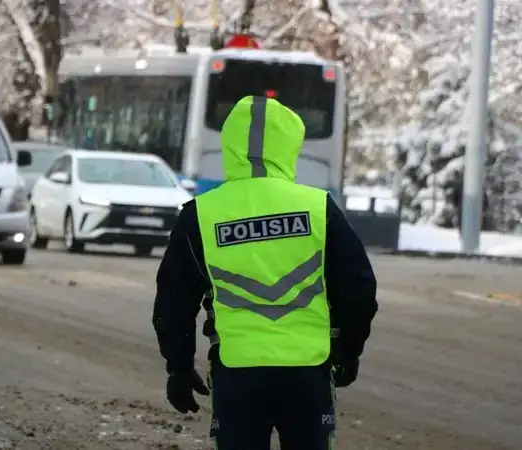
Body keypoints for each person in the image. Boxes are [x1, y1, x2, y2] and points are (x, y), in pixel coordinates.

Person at [152, 96, 378, 449]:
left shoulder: (201, 215)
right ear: (290, 144)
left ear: (230, 145)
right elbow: (359, 289)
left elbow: (174, 301)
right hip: (308, 375)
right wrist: (347, 351)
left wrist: (178, 367)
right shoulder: (318, 209)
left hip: (237, 376)